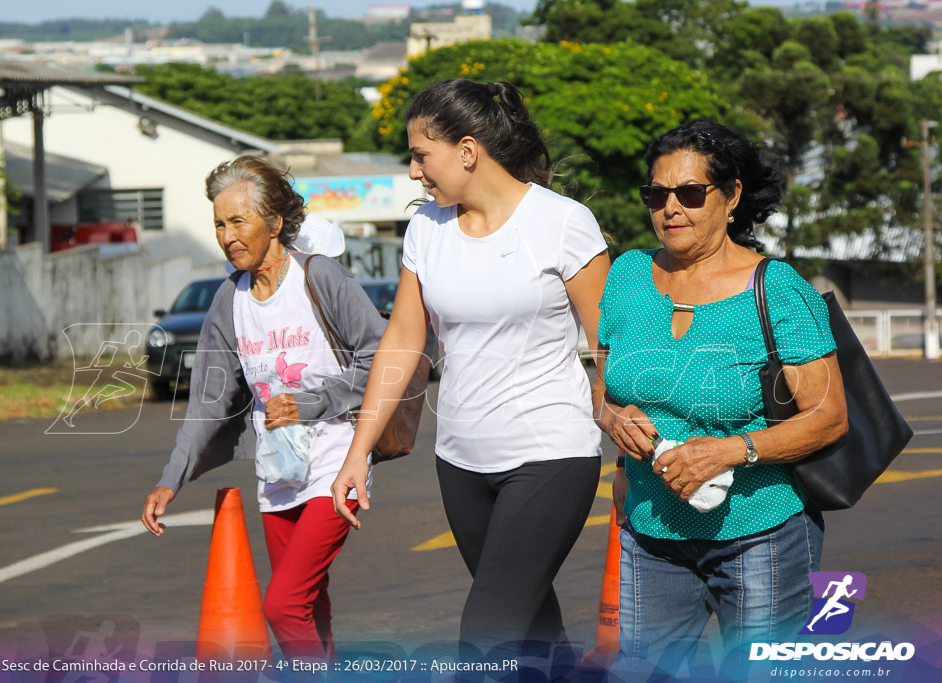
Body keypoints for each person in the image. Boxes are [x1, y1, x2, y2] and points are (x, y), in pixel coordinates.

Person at [331, 78, 611, 664]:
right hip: (460, 461)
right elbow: (404, 343)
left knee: (485, 638)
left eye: (420, 155)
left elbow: (606, 343)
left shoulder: (562, 221)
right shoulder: (426, 230)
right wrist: (358, 451)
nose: (413, 173)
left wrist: (626, 430)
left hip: (550, 455)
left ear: (467, 151)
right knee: (533, 630)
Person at [595, 119, 848, 678]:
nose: (670, 209)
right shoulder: (628, 275)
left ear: (731, 196)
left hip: (758, 536)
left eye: (689, 193)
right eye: (656, 195)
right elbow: (603, 384)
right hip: (650, 532)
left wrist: (732, 450)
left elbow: (829, 418)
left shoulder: (775, 287)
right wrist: (613, 416)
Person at [141, 155, 386, 661]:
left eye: (238, 220)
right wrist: (171, 479)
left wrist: (313, 402)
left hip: (338, 465)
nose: (227, 235)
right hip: (278, 474)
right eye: (218, 224)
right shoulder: (229, 301)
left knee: (282, 605)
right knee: (309, 605)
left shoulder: (320, 278)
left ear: (274, 222)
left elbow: (384, 359)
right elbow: (208, 403)